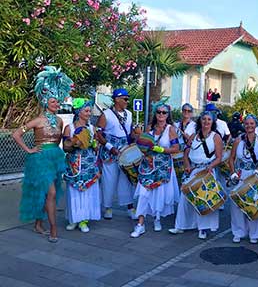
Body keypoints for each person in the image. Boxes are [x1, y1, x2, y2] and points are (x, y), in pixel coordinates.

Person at [12, 66, 73, 243]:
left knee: (45, 193)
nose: (57, 104)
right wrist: (29, 150)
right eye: (53, 102)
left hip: (55, 158)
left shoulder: (61, 120)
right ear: (46, 102)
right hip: (40, 160)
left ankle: (38, 224)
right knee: (52, 193)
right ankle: (53, 229)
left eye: (57, 102)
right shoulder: (38, 120)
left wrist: (69, 135)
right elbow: (16, 134)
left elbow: (61, 139)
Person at [168, 111, 224, 239]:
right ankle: (181, 225)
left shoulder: (216, 137)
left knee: (204, 199)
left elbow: (219, 157)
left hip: (207, 171)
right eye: (204, 119)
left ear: (213, 122)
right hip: (193, 170)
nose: (206, 122)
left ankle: (203, 228)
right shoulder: (193, 136)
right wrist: (187, 165)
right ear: (200, 121)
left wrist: (210, 166)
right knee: (185, 198)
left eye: (209, 120)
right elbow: (186, 153)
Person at [131, 101, 180, 237]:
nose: (161, 115)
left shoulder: (171, 129)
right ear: (155, 113)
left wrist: (161, 149)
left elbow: (176, 149)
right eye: (159, 112)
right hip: (148, 166)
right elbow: (143, 145)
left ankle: (156, 218)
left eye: (164, 112)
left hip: (163, 167)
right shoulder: (149, 128)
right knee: (143, 193)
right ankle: (140, 224)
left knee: (159, 193)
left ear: (167, 114)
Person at [228, 114, 258, 244]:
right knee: (237, 204)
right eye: (247, 124)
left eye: (252, 124)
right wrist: (233, 172)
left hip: (255, 175)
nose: (249, 126)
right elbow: (231, 158)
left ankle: (254, 233)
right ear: (244, 125)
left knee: (254, 203)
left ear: (255, 125)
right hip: (241, 174)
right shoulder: (238, 140)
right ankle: (238, 232)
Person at [96, 88, 137, 220]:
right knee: (109, 180)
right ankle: (107, 207)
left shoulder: (129, 114)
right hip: (110, 151)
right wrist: (109, 147)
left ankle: (130, 207)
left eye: (127, 99)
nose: (127, 101)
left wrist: (136, 135)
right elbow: (98, 133)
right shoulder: (106, 114)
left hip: (125, 150)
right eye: (125, 99)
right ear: (117, 99)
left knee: (127, 180)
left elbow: (129, 133)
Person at [63, 98, 101, 233]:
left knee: (88, 192)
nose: (89, 113)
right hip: (75, 165)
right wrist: (75, 143)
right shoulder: (70, 128)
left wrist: (93, 144)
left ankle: (84, 220)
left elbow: (96, 147)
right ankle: (74, 219)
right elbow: (65, 148)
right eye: (86, 110)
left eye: (90, 110)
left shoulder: (92, 128)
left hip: (89, 165)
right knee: (74, 192)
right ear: (79, 112)